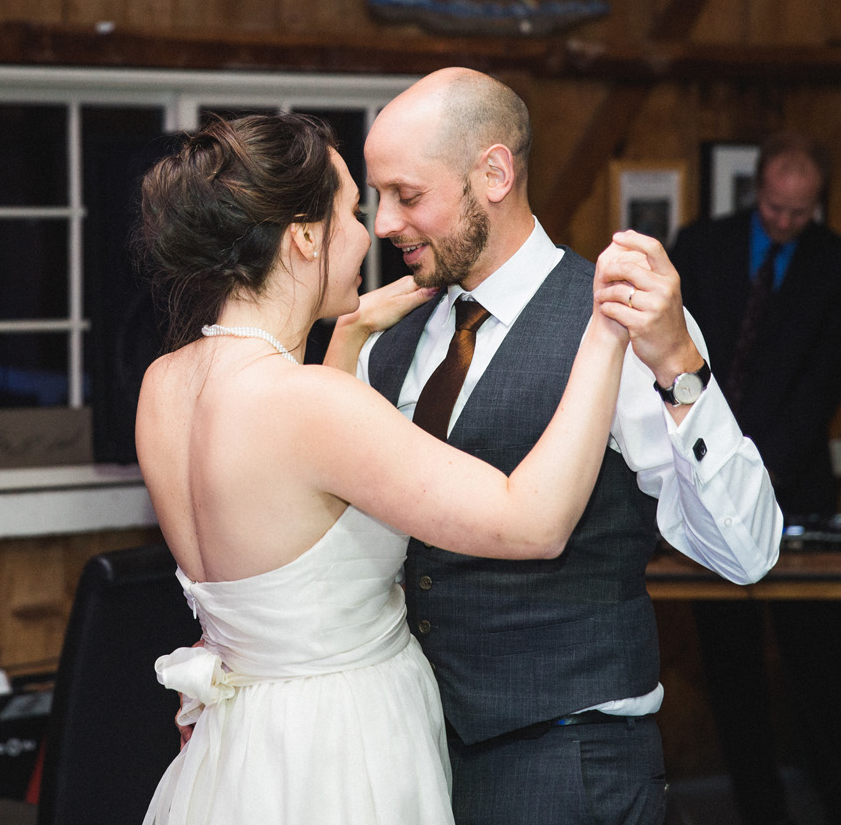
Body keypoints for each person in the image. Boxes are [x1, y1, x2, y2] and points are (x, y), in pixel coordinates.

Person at [133, 112, 671, 825]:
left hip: (246, 750)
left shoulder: (165, 385)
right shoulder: (309, 404)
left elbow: (293, 503)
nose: (374, 231)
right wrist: (602, 334)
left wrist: (348, 334)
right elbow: (534, 522)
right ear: (302, 237)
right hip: (343, 747)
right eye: (352, 209)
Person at [322, 67, 783, 825]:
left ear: (494, 173)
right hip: (409, 759)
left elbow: (748, 552)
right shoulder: (388, 343)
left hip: (568, 762)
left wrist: (678, 367)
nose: (383, 223)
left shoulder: (626, 325)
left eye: (407, 195)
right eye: (376, 198)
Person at [670, 132, 841, 825]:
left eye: (800, 212)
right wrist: (716, 467)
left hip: (796, 483)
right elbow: (681, 360)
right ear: (758, 191)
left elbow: (825, 385)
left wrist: (755, 469)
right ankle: (759, 805)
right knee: (729, 664)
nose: (785, 222)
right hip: (705, 480)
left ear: (817, 205)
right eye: (776, 208)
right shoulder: (700, 248)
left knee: (816, 655)